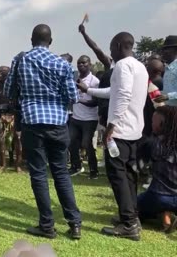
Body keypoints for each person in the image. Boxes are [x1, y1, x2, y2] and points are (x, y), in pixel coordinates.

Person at [4, 24, 81, 240]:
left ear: (31, 40)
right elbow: (73, 97)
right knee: (61, 173)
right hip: (58, 123)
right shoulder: (62, 63)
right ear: (51, 41)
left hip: (32, 121)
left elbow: (8, 91)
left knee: (38, 173)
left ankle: (47, 226)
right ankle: (75, 224)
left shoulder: (20, 60)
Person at [80, 32, 148, 240]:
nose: (110, 52)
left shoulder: (122, 66)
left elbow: (124, 95)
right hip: (134, 130)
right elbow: (114, 91)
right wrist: (89, 90)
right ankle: (131, 217)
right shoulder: (140, 66)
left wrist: (111, 125)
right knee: (128, 175)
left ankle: (128, 224)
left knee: (118, 176)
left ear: (119, 45)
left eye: (111, 47)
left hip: (120, 130)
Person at [137, 106, 177, 233]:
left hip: (158, 195)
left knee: (132, 206)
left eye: (153, 121)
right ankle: (166, 214)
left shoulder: (152, 143)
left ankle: (164, 214)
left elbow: (137, 167)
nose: (151, 123)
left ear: (161, 124)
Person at [68, 56, 100, 179]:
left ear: (89, 64)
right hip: (76, 117)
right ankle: (76, 166)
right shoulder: (75, 80)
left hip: (89, 119)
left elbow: (95, 102)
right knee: (71, 143)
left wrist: (79, 100)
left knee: (86, 144)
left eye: (84, 63)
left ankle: (94, 170)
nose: (81, 65)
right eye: (79, 63)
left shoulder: (94, 81)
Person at [155, 35, 177, 106]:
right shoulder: (168, 68)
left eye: (166, 49)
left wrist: (166, 97)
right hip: (169, 110)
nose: (163, 52)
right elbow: (169, 90)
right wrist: (159, 94)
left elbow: (168, 95)